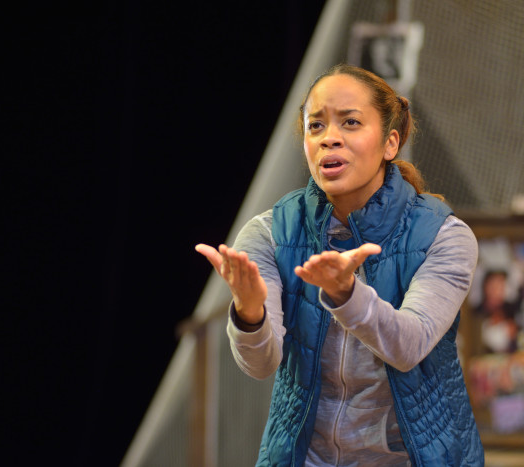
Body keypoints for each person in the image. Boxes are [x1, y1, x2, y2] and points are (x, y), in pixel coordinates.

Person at [196, 64, 484, 466]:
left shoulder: (444, 235)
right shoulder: (269, 233)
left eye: (350, 122)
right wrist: (249, 312)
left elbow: (409, 346)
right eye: (316, 126)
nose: (329, 137)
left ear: (390, 143)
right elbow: (261, 366)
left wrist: (346, 294)